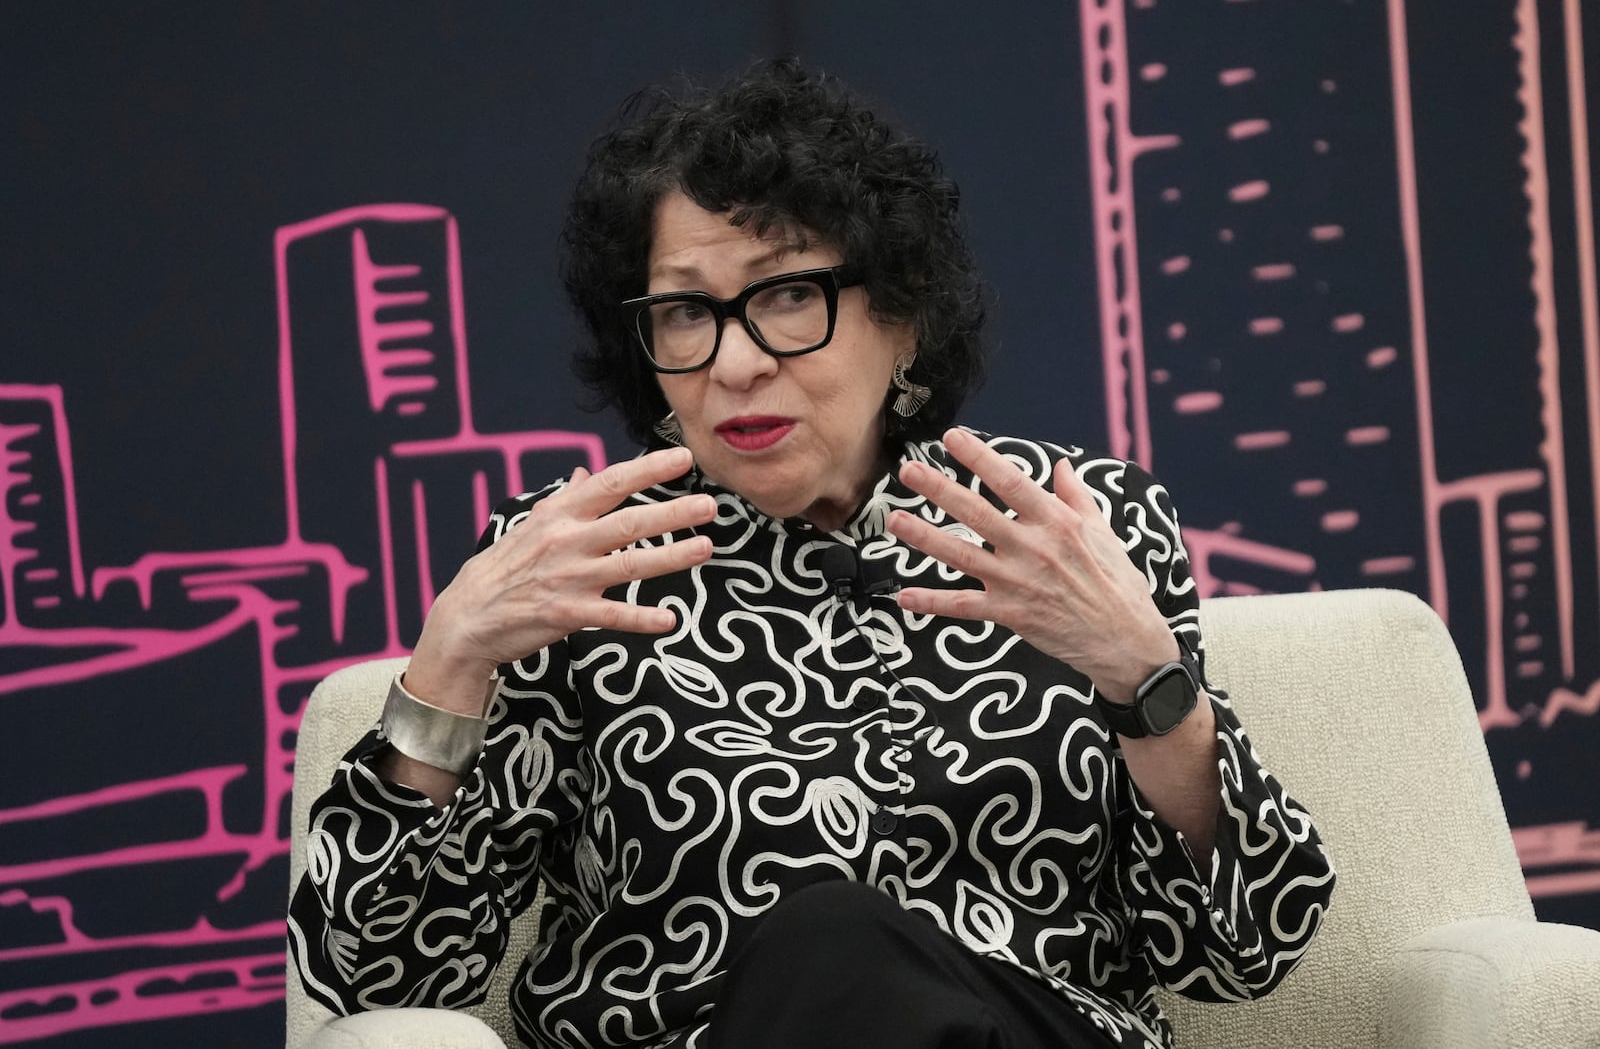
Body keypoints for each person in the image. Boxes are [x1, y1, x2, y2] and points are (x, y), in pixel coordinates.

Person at [289, 58, 1334, 1049]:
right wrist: (450, 664)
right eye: (687, 312)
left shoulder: (1075, 522)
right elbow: (377, 981)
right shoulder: (580, 565)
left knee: (852, 946)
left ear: (903, 315)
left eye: (787, 295)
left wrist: (1146, 681)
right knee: (830, 941)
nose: (735, 362)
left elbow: (1242, 949)